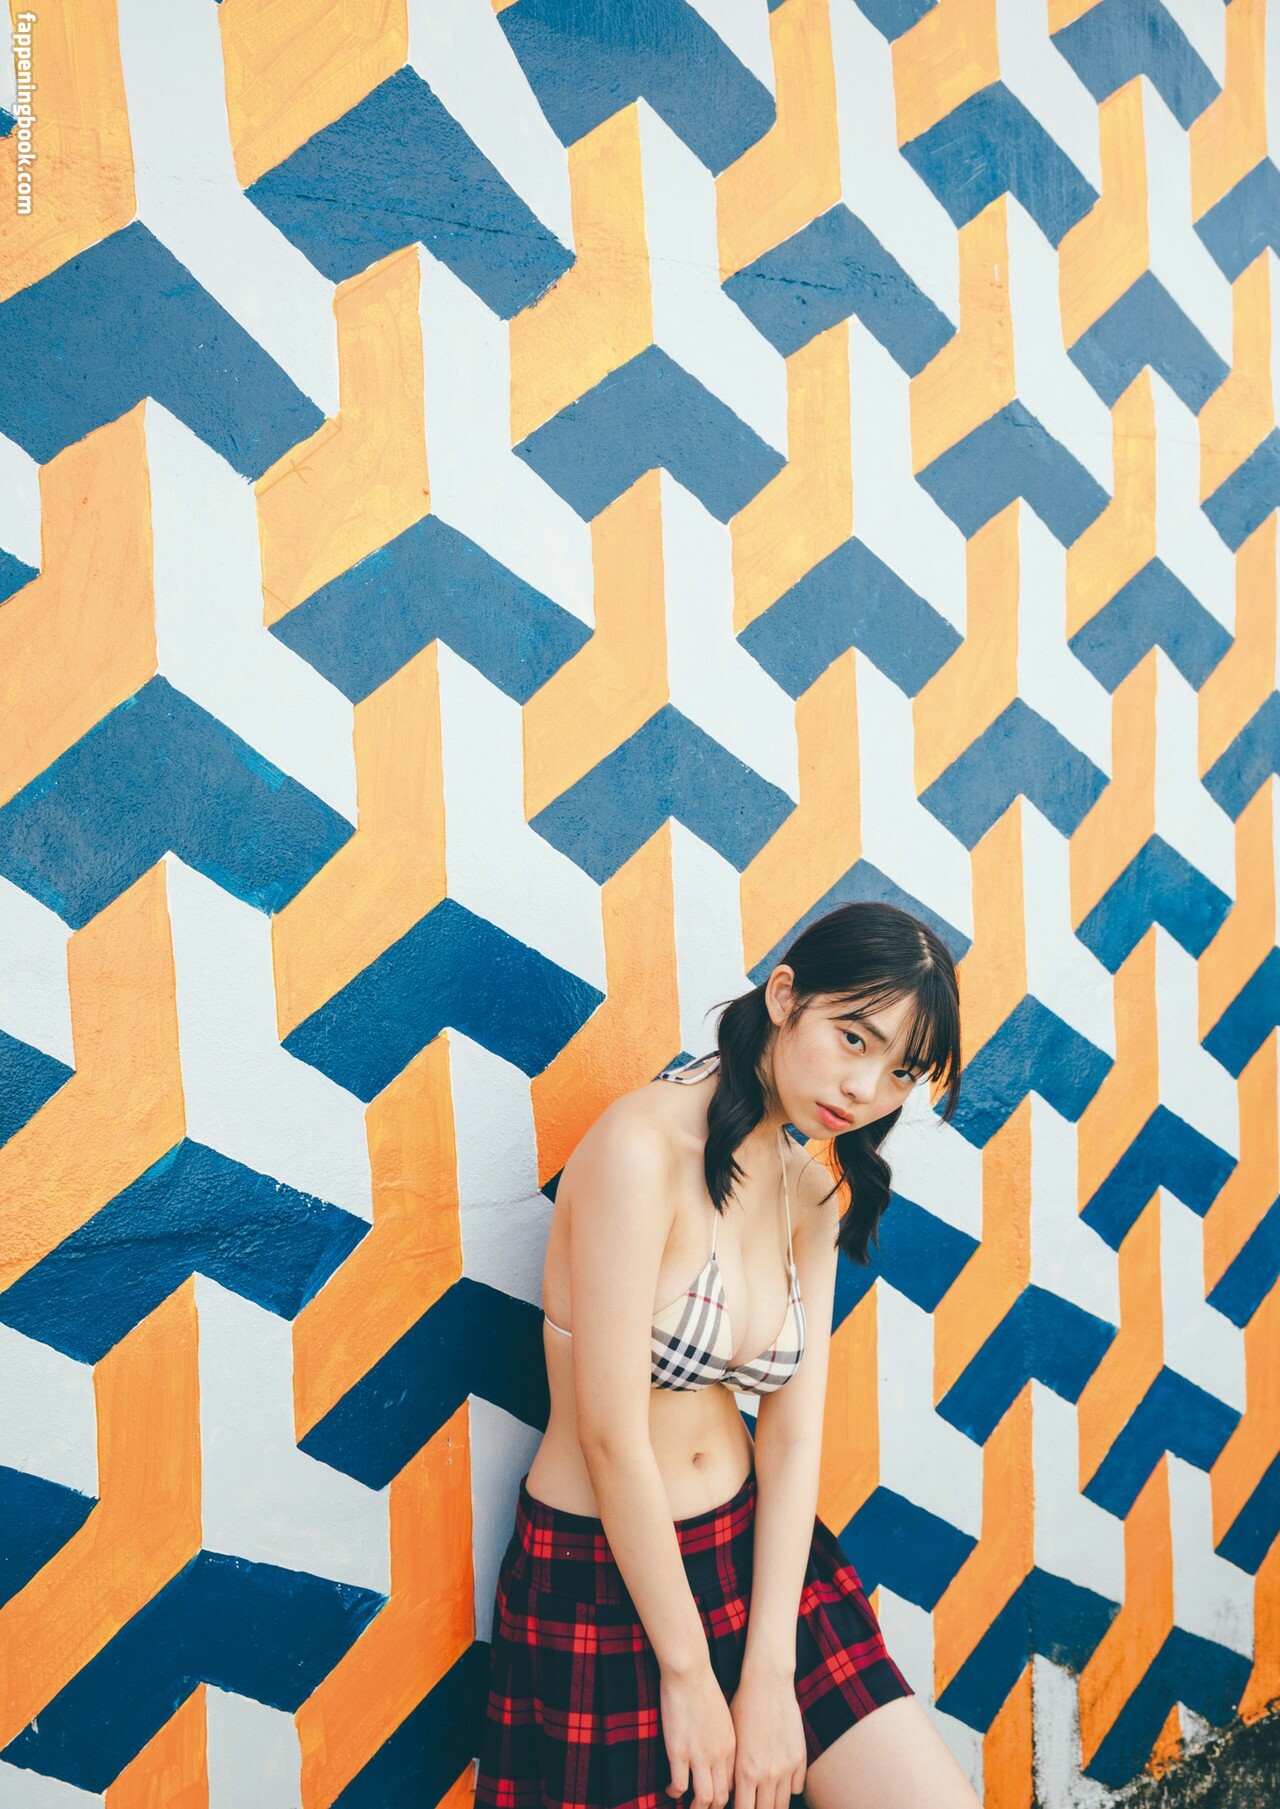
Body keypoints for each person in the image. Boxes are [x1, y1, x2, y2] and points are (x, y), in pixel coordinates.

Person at [474, 901, 983, 1809]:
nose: (866, 1089)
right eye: (854, 1038)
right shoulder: (641, 1149)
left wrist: (769, 1671)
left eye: (901, 1072)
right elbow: (609, 1435)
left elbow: (791, 1437)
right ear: (785, 996)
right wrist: (687, 1672)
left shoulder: (810, 1189)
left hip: (756, 1556)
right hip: (607, 1576)